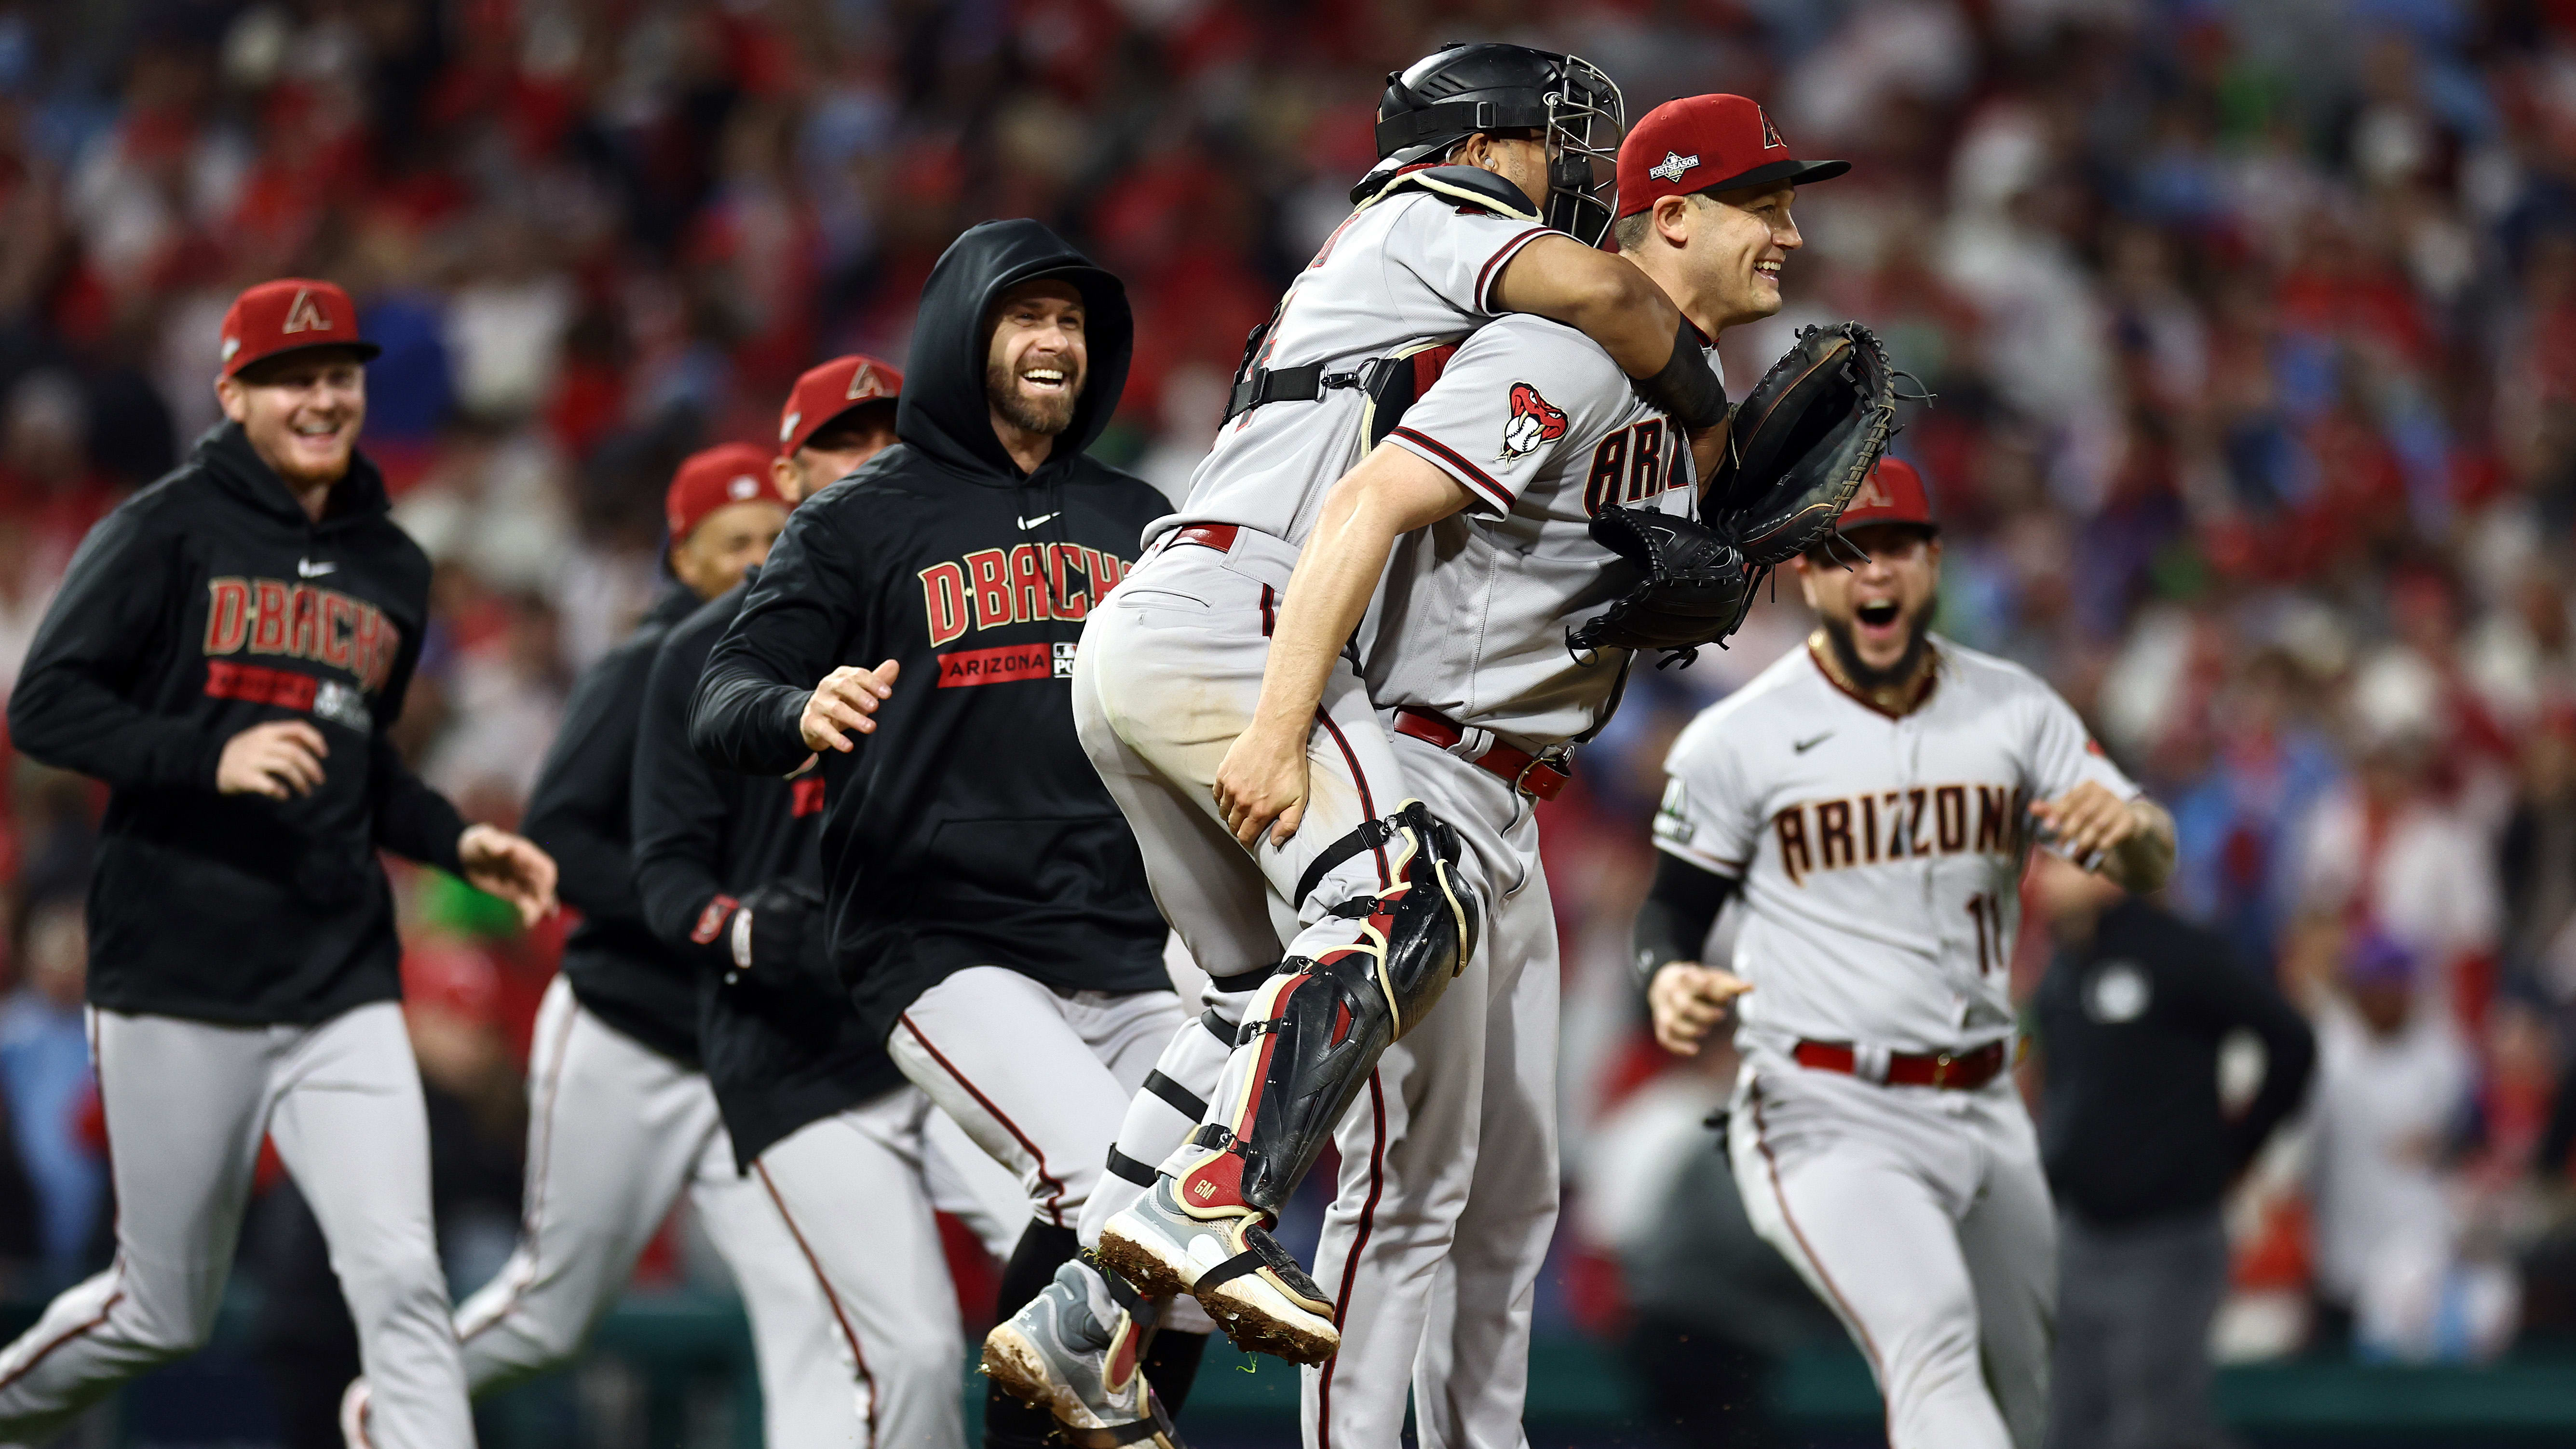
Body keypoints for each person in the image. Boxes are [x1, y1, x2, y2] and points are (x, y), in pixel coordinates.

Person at [999, 93, 1841, 1447]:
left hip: (1511, 793)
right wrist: (1279, 726)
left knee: (1509, 1203)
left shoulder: (1682, 414)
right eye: (1766, 204)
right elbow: (1372, 502)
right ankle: (1133, 1301)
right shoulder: (1562, 350)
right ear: (1668, 213)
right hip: (1418, 764)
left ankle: (1097, 1302)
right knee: (1409, 1192)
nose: (1791, 236)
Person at [0, 278, 556, 1449]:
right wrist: (210, 754)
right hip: (179, 962)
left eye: (338, 375)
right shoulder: (163, 528)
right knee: (160, 1310)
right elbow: (44, 706)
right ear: (234, 392)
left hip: (337, 974)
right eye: (292, 376)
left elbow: (361, 772)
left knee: (403, 1282)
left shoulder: (392, 567)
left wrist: (456, 838)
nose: (320, 396)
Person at [690, 220, 1204, 1449]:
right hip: (941, 940)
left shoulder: (1138, 514)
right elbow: (724, 693)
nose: (1055, 340)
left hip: (1124, 940)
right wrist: (796, 705)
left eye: (1073, 321)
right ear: (960, 334)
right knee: (1112, 1194)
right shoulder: (863, 518)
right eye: (1026, 316)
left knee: (1194, 1239)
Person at [339, 382, 926, 1445]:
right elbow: (563, 847)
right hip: (633, 1025)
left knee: (804, 1312)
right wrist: (711, 911)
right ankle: (395, 1408)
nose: (753, 552)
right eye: (728, 537)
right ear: (681, 554)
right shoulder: (652, 663)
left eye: (769, 532)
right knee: (555, 1310)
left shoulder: (808, 650)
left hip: (748, 1047)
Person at [1641, 457, 2178, 1449]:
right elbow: (1670, 911)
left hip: (1982, 1100)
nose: (1874, 572)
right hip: (1822, 1103)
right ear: (1807, 574)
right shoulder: (1738, 738)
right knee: (1928, 1337)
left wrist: (2136, 831)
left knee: (2020, 1399)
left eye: (1895, 547)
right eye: (1847, 552)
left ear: (1932, 563)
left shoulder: (2013, 709)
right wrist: (1666, 975)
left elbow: (2144, 852)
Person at [632, 419, 1028, 1449]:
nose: (861, 468)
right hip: (793, 1052)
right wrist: (745, 931)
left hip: (933, 1021)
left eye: (879, 444)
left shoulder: (954, 621)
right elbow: (663, 871)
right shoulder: (701, 653)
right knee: (915, 1350)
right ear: (793, 474)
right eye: (835, 448)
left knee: (1088, 1268)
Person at [2031, 852, 2314, 1449]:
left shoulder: (2177, 952)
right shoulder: (2062, 966)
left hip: (2166, 1236)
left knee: (2157, 1429)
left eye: (2057, 860)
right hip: (2080, 1235)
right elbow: (2067, 1094)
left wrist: (2234, 1150)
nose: (2040, 876)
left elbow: (2289, 1040)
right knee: (2069, 1426)